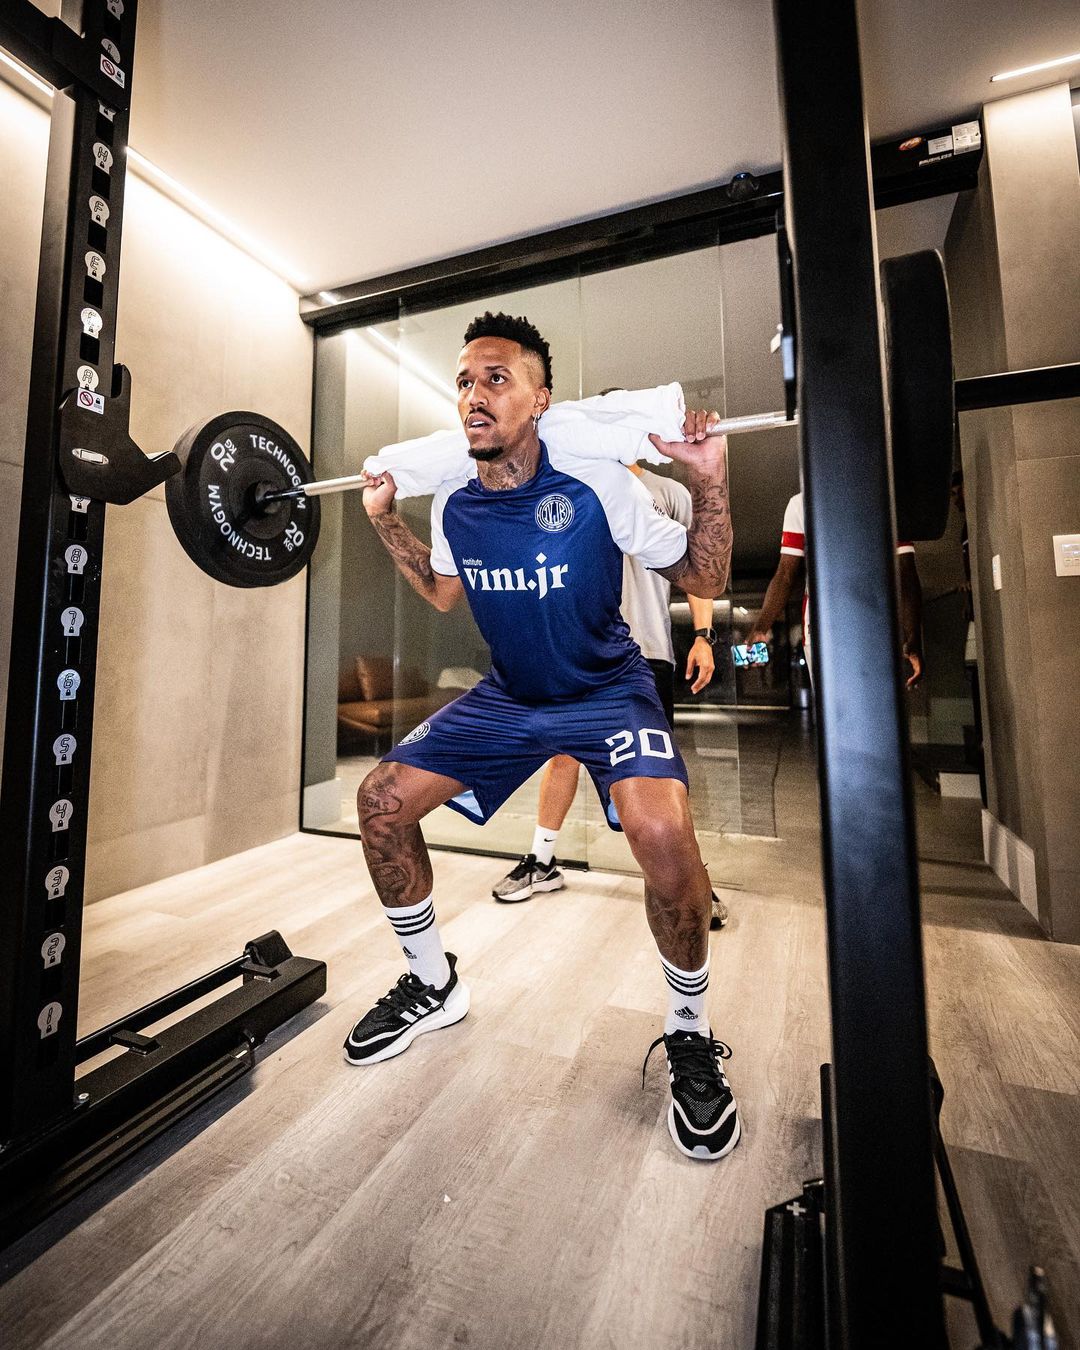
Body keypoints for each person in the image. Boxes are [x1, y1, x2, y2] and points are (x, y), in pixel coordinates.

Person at [344, 311, 741, 1162]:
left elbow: (705, 575)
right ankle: (431, 985)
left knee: (664, 834)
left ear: (541, 399)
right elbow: (446, 594)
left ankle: (689, 1031)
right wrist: (384, 520)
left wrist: (709, 480)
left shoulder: (600, 484)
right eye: (463, 381)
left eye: (496, 378)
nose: (474, 395)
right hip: (513, 696)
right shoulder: (454, 502)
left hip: (608, 688)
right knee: (380, 803)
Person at [491, 461, 730, 930]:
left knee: (659, 775)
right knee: (562, 756)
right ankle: (541, 862)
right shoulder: (572, 489)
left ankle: (692, 879)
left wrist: (704, 634)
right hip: (577, 652)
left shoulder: (670, 493)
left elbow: (698, 570)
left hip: (646, 650)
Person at [748, 489, 924, 689]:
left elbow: (906, 571)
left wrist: (913, 635)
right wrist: (761, 625)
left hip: (872, 622)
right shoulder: (800, 504)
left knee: (874, 704)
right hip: (820, 626)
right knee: (830, 708)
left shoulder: (883, 496)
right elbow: (785, 574)